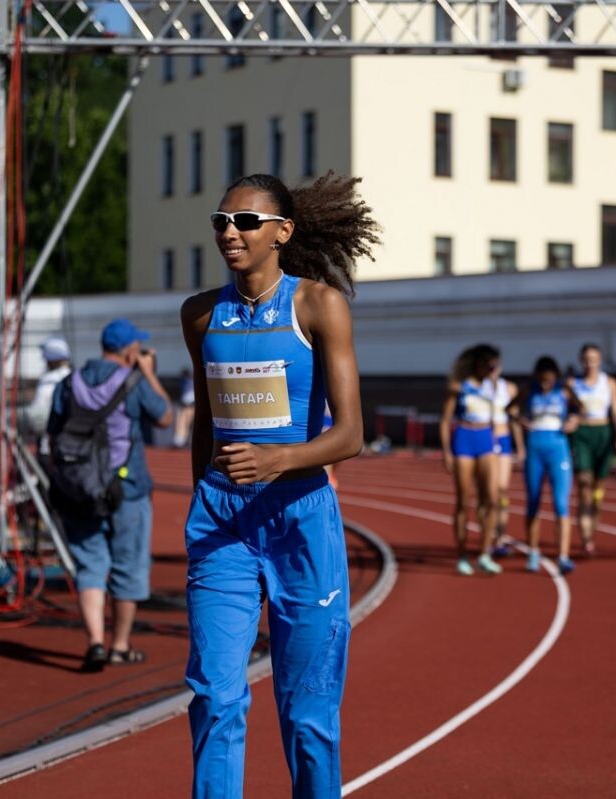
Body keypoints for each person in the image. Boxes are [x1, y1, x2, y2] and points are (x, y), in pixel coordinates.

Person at [179, 173, 374, 798]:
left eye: (245, 222)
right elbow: (206, 421)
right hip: (223, 524)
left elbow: (351, 435)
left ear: (282, 232)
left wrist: (277, 460)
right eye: (221, 221)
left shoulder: (318, 305)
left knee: (307, 711)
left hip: (300, 520)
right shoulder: (200, 314)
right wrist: (204, 492)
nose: (229, 232)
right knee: (214, 696)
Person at [48, 319, 173, 671]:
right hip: (127, 488)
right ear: (131, 351)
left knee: (90, 564)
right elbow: (165, 417)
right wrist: (148, 373)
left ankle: (95, 641)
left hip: (79, 489)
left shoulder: (69, 382)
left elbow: (53, 433)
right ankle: (119, 645)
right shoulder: (133, 381)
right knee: (128, 566)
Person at [440, 344, 503, 576]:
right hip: (464, 439)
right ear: (479, 364)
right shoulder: (459, 386)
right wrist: (447, 452)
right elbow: (445, 420)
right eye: (489, 365)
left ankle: (485, 553)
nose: (492, 370)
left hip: (485, 438)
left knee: (492, 499)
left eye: (495, 366)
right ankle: (462, 554)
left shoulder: (493, 386)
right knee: (464, 501)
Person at [518, 356, 578, 575]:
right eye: (542, 380)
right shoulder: (529, 391)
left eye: (550, 380)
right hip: (535, 448)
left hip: (558, 448)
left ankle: (563, 556)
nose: (546, 385)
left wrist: (573, 421)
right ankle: (533, 553)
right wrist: (521, 420)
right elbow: (510, 409)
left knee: (561, 502)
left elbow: (580, 410)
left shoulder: (564, 391)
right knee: (533, 501)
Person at [568, 344, 616, 555]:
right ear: (581, 360)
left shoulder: (609, 383)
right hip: (582, 434)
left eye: (593, 359)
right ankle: (585, 537)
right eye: (586, 359)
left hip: (603, 433)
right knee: (584, 484)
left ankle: (592, 527)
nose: (590, 363)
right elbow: (566, 409)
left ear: (600, 360)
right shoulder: (573, 383)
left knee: (597, 490)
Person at [487, 362, 520, 555]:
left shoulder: (508, 388)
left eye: (495, 365)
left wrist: (520, 446)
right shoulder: (478, 388)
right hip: (484, 441)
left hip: (503, 439)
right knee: (488, 492)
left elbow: (514, 419)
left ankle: (499, 538)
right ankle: (487, 538)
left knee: (502, 489)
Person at [25, 336, 72, 456]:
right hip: (73, 446)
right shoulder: (75, 379)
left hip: (49, 448)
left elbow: (37, 419)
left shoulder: (47, 382)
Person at [172, 368, 197, 448]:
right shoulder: (184, 381)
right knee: (182, 421)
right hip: (185, 404)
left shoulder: (193, 381)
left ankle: (185, 440)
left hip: (191, 404)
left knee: (189, 423)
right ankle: (180, 440)